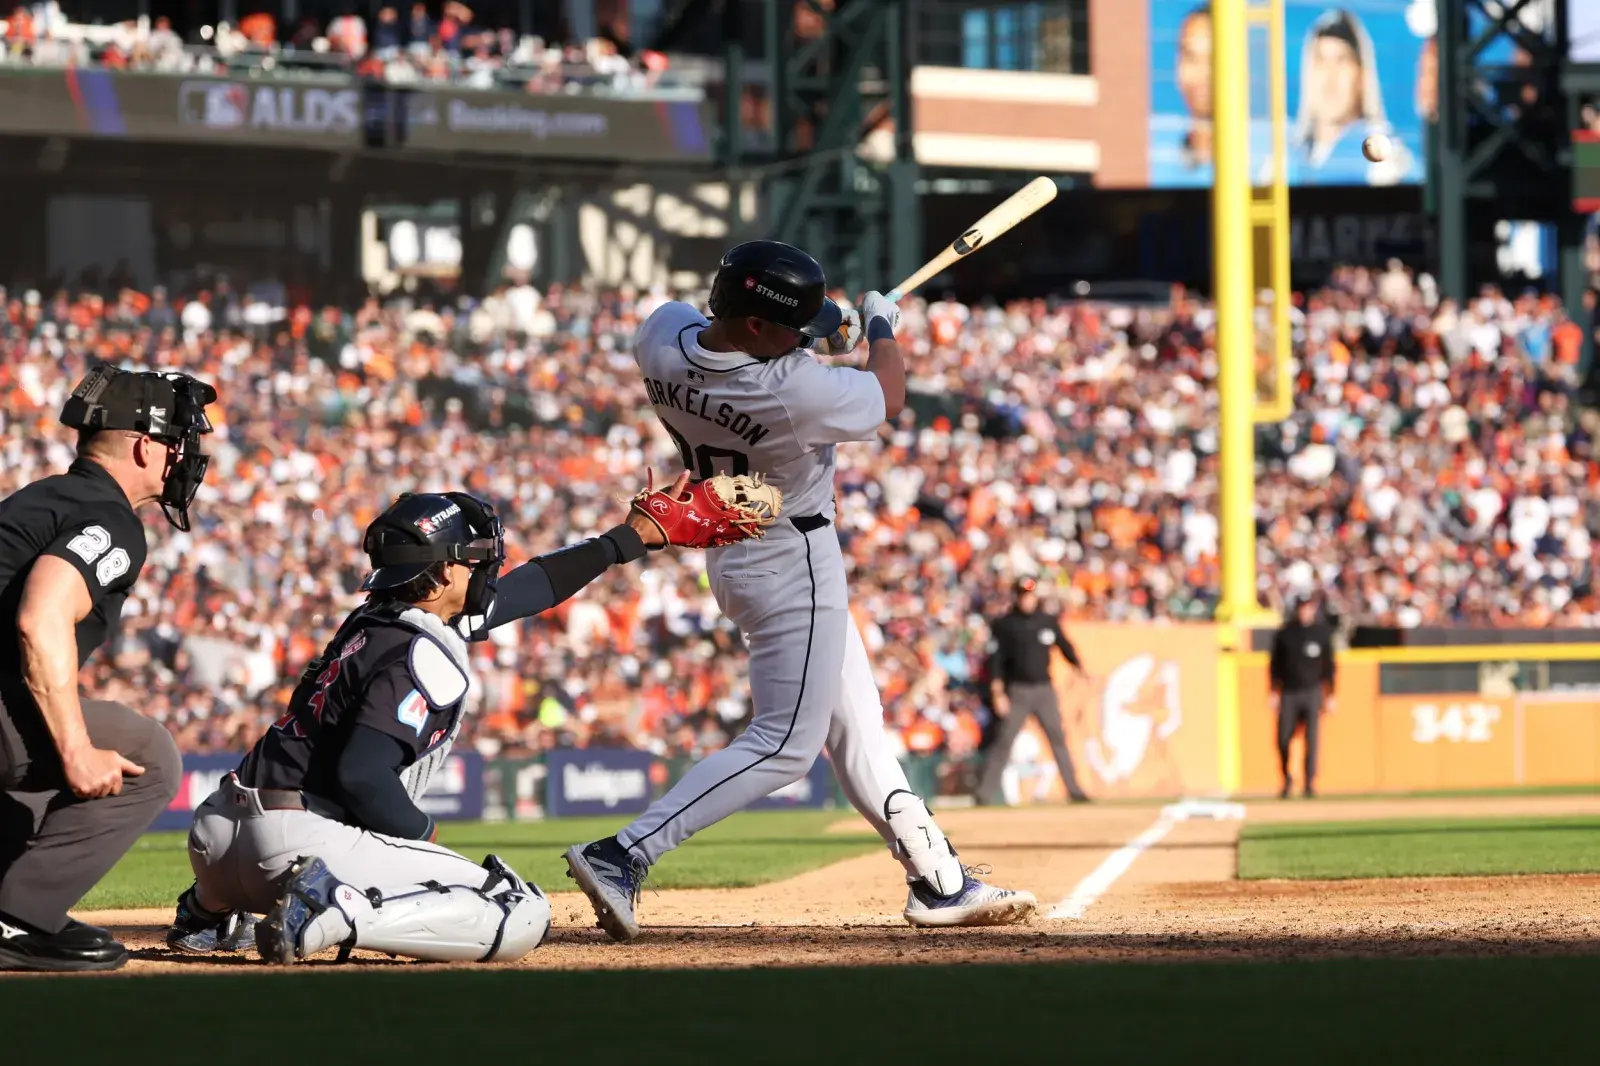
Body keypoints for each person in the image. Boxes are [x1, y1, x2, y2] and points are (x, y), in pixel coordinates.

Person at [564, 240, 1036, 942]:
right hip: (793, 553)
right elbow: (888, 394)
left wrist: (829, 322)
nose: (801, 341)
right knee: (787, 744)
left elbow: (762, 335)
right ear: (756, 325)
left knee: (858, 728)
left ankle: (939, 881)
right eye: (791, 328)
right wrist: (878, 328)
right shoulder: (787, 389)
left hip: (732, 539)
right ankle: (624, 853)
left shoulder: (660, 333)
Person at [167, 472, 754, 964]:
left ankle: (207, 912)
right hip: (300, 844)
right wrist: (425, 840)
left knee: (296, 849)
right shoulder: (427, 651)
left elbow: (534, 587)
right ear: (446, 574)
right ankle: (335, 911)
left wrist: (625, 540)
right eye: (477, 560)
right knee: (520, 909)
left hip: (218, 839)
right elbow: (362, 775)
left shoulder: (371, 619)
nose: (489, 570)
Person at [0, 364, 216, 972]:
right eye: (176, 443)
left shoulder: (42, 497)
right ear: (145, 445)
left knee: (34, 795)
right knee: (146, 754)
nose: (184, 458)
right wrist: (74, 749)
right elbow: (40, 619)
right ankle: (16, 921)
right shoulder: (109, 515)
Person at [976, 577, 1091, 805]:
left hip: (1044, 689)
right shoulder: (1005, 625)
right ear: (1016, 596)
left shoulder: (1047, 621)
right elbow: (996, 661)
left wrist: (1080, 667)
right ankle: (984, 794)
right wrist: (998, 693)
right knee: (1004, 741)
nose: (1026, 599)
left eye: (1029, 594)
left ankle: (1074, 790)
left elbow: (1064, 646)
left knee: (1058, 738)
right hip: (1018, 691)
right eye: (1022, 594)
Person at [1287, 8, 1415, 185]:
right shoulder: (1285, 159)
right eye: (1321, 60)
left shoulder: (1385, 157)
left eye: (1341, 60)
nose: (1329, 76)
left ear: (1362, 75)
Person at [1268, 594, 1336, 798]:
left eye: (1309, 607)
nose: (1305, 611)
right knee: (1283, 738)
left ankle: (1309, 783)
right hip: (1289, 691)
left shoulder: (1321, 634)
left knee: (1312, 739)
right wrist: (1273, 691)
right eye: (1302, 607)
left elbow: (1330, 667)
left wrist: (1331, 694)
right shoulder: (1286, 634)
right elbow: (1274, 666)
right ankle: (1286, 778)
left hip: (1312, 691)